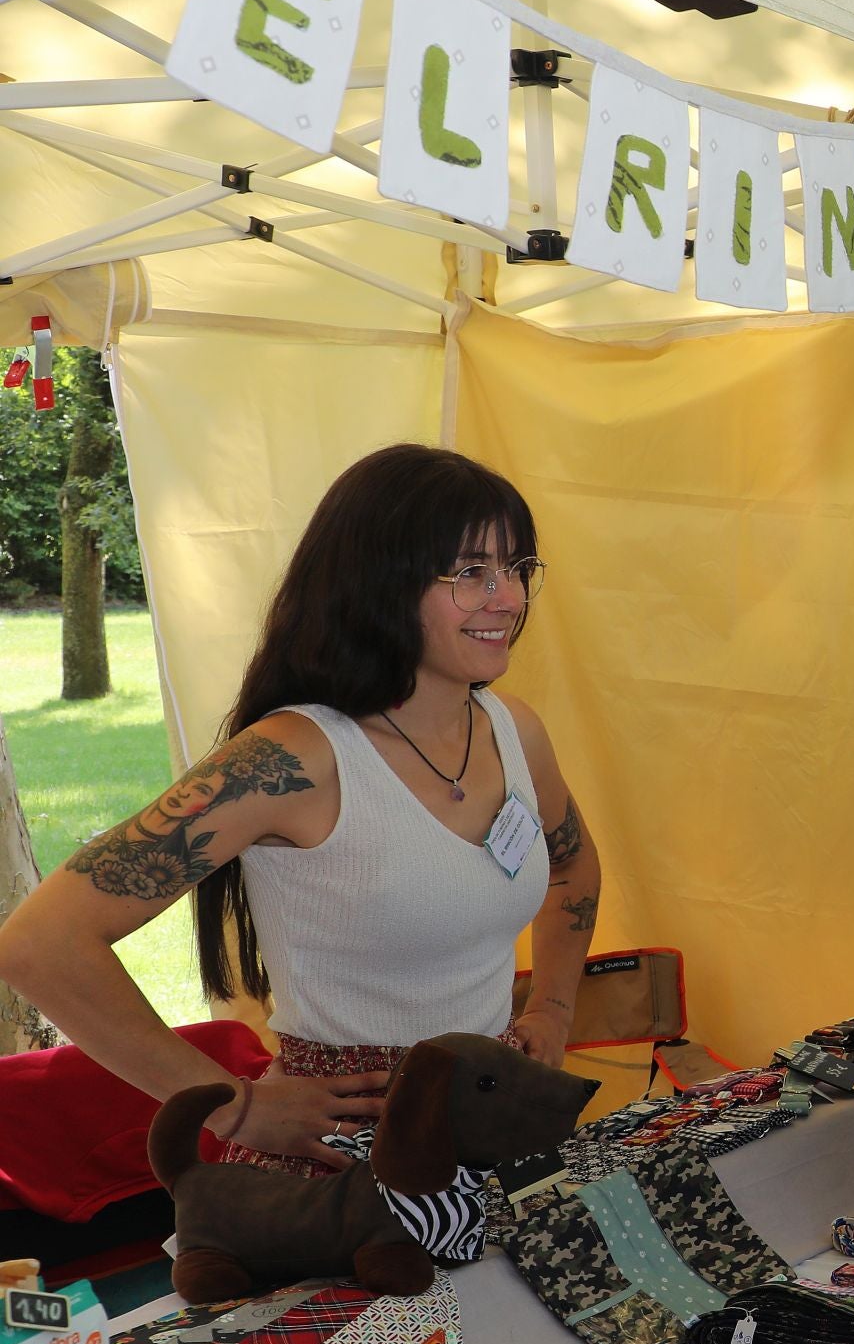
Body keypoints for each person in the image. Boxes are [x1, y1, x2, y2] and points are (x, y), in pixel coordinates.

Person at [0, 445, 601, 1175]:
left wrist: (552, 1010)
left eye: (517, 568)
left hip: (496, 1122)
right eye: (471, 572)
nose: (506, 597)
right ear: (381, 581)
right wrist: (233, 1105)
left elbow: (570, 865)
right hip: (347, 1157)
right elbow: (41, 943)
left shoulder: (515, 730)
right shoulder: (293, 759)